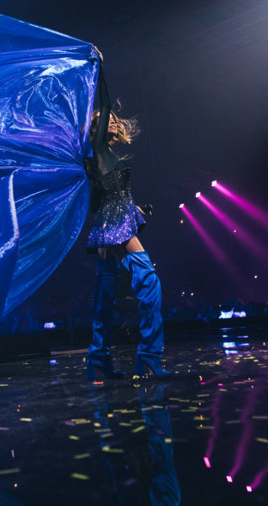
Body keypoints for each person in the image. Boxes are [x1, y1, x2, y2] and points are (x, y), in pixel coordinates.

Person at [84, 65, 171, 379]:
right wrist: (99, 69)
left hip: (113, 221)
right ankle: (148, 357)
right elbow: (105, 103)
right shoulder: (96, 149)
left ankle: (99, 361)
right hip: (115, 224)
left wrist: (138, 208)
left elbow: (102, 198)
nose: (112, 120)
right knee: (150, 283)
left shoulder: (104, 156)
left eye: (112, 119)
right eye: (105, 119)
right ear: (95, 130)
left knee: (105, 295)